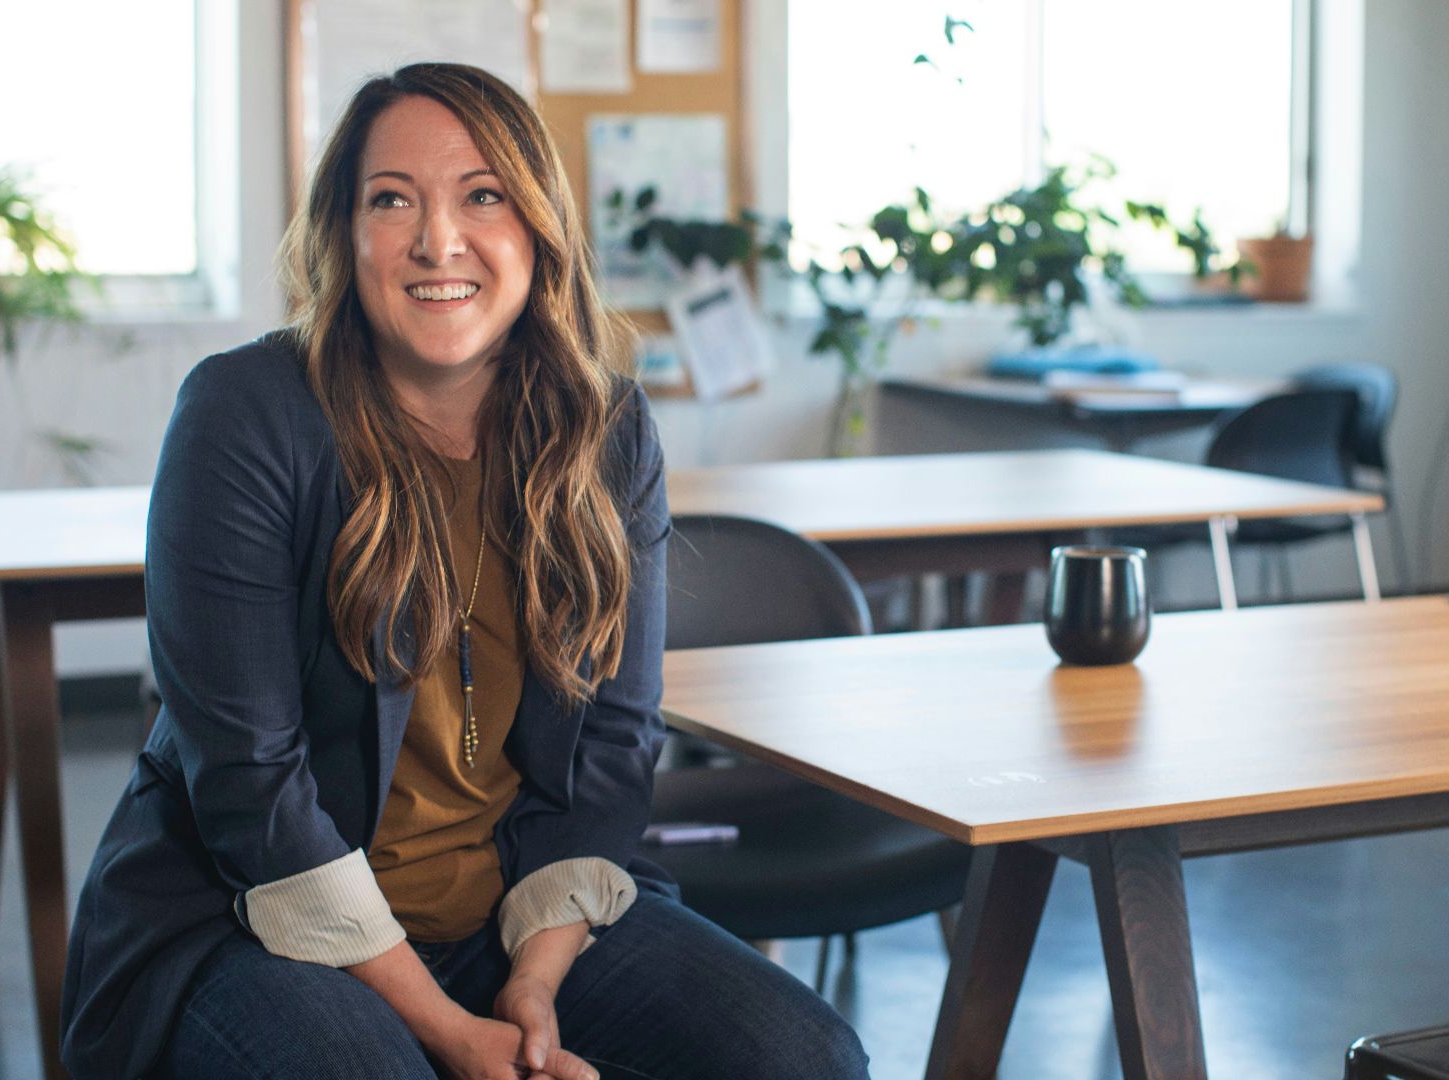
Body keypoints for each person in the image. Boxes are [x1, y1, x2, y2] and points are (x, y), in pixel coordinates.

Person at [59, 63, 871, 1080]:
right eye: (390, 199)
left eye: (481, 196)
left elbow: (614, 749)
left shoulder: (606, 431)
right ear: (344, 235)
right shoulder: (245, 414)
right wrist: (451, 1033)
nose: (436, 241)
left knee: (807, 1058)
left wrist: (532, 990)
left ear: (536, 226)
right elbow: (249, 791)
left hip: (516, 917)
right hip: (254, 921)